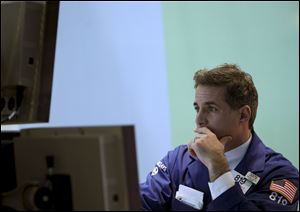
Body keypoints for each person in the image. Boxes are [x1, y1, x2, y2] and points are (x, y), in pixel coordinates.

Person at [140, 64, 299, 211]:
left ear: (243, 115)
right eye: (198, 108)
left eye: (211, 109)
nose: (199, 120)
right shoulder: (177, 161)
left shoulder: (280, 175)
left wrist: (218, 166)